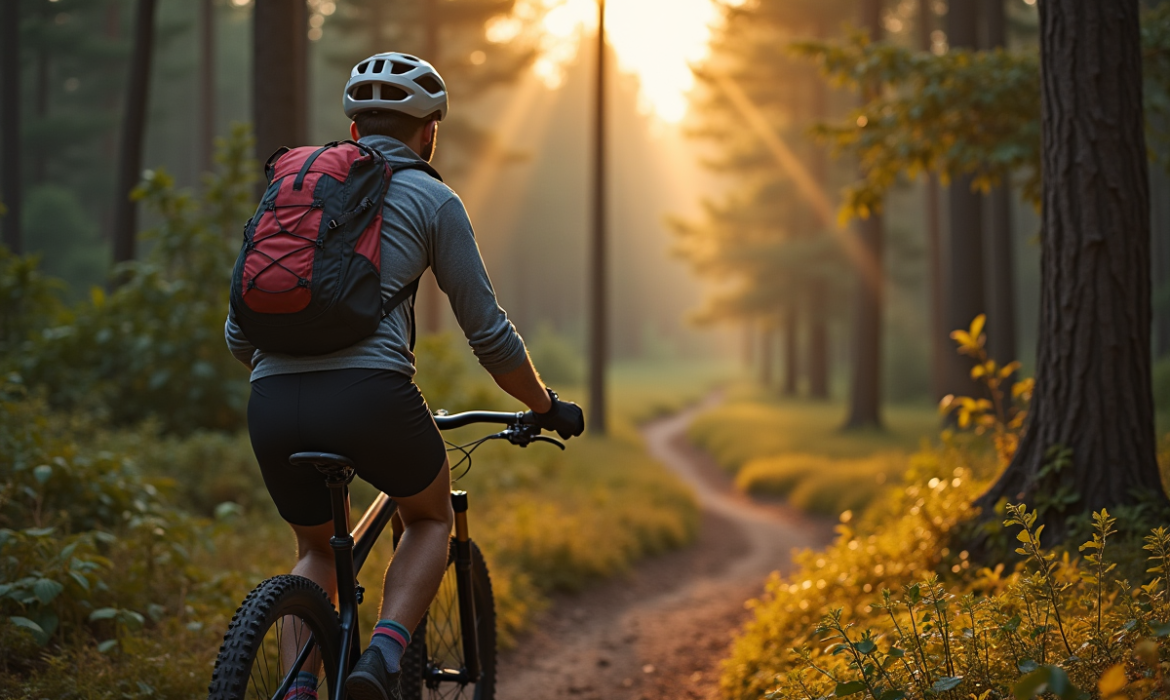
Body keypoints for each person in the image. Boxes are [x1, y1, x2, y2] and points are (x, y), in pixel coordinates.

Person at [224, 52, 585, 700]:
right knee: (428, 517)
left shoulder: (293, 191)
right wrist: (546, 403)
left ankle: (300, 691)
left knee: (314, 554)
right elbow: (490, 336)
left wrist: (299, 372)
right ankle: (382, 659)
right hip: (373, 400)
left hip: (272, 401)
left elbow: (236, 334)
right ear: (429, 132)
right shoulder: (432, 197)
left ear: (356, 130)